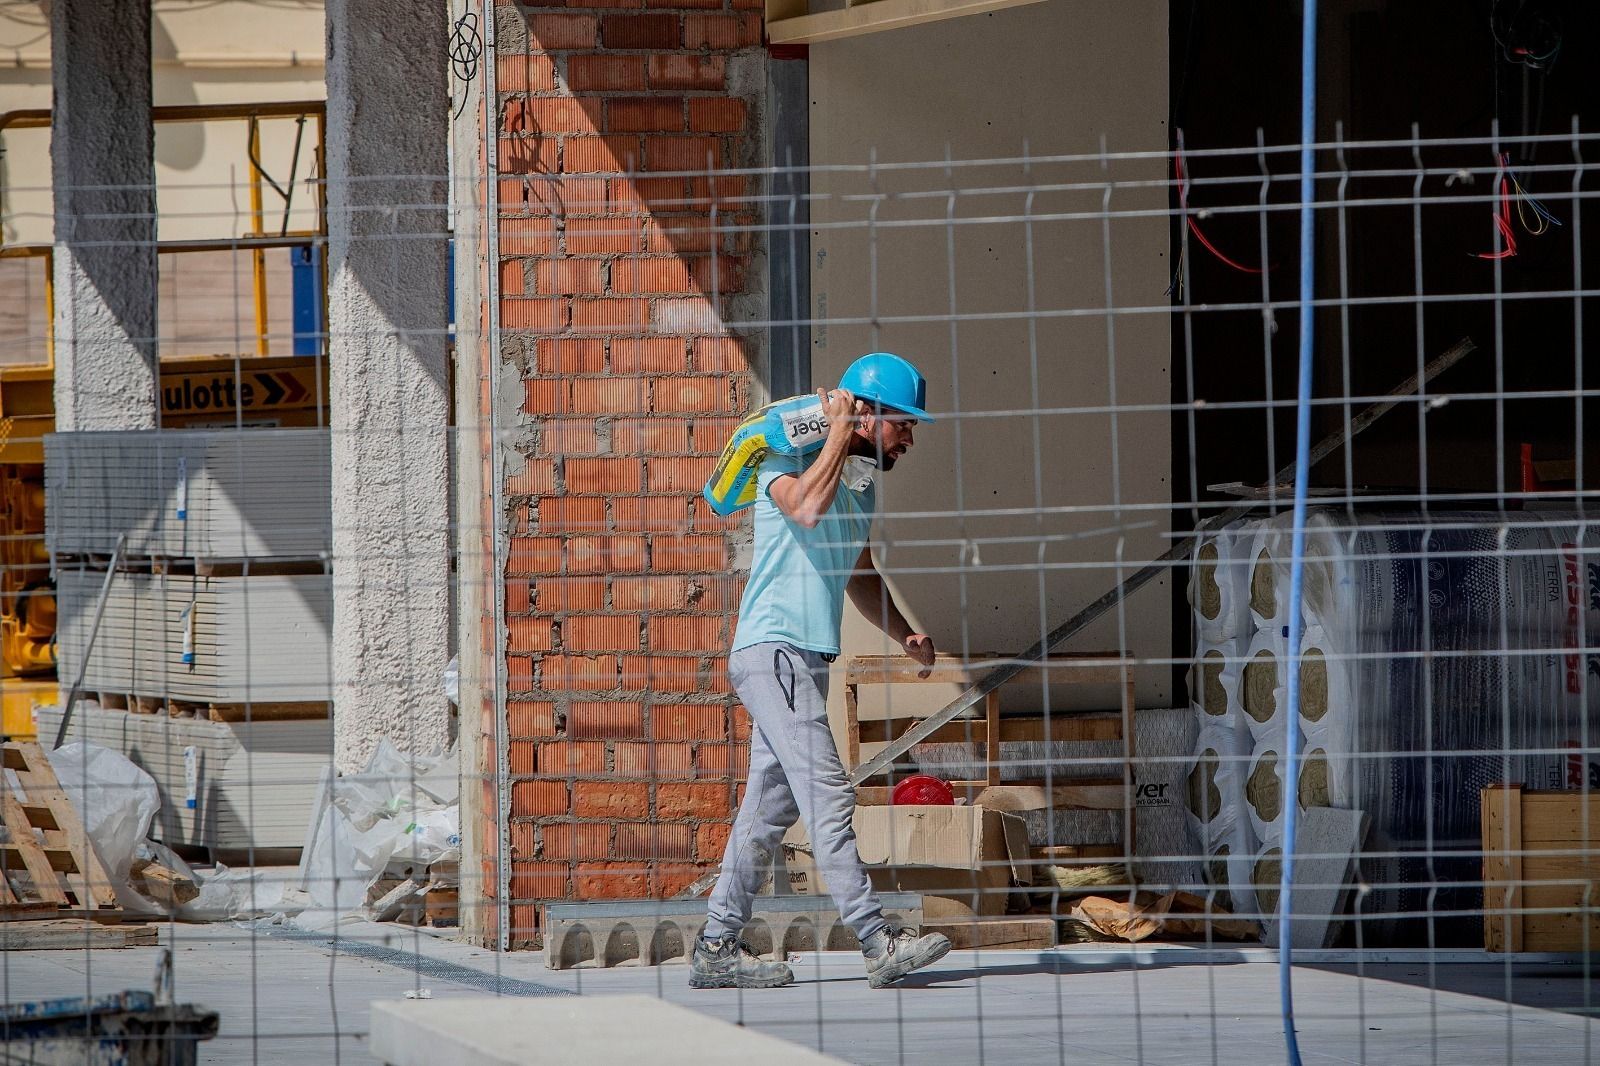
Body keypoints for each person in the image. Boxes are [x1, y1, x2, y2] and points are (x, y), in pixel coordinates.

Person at [691, 352, 953, 990]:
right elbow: (805, 509)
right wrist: (835, 429)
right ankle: (876, 939)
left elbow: (859, 573)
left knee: (768, 809)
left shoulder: (859, 483)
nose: (911, 438)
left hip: (806, 659)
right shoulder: (784, 463)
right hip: (773, 650)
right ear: (866, 415)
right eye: (903, 424)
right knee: (830, 794)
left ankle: (717, 946)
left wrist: (905, 634)